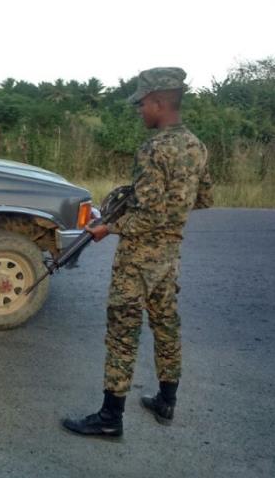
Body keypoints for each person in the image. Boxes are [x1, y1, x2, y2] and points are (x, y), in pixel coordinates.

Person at [62, 67, 214, 437]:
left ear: (160, 102)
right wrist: (167, 211)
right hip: (169, 256)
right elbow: (204, 199)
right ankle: (166, 400)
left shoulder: (153, 149)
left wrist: (107, 227)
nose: (139, 110)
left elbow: (148, 216)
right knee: (165, 324)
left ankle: (110, 418)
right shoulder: (196, 145)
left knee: (122, 331)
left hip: (139, 259)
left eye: (142, 103)